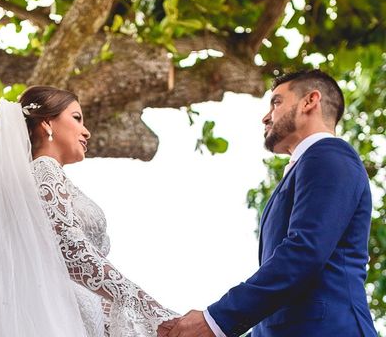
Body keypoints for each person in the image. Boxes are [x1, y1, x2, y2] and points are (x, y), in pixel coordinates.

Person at [161, 70, 378, 337]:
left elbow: (303, 253)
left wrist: (215, 320)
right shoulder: (307, 165)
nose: (265, 116)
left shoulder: (329, 154)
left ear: (310, 101)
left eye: (276, 102)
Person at [0, 85, 178, 337]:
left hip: (80, 318)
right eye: (77, 118)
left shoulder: (39, 178)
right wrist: (148, 307)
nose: (86, 131)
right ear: (47, 123)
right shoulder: (45, 170)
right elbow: (73, 251)